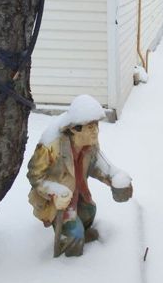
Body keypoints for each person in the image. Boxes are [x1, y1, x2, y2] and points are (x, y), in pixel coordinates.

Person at [27, 94, 133, 257]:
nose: (95, 131)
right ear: (74, 129)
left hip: (78, 193)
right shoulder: (50, 147)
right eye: (90, 127)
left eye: (96, 126)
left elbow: (96, 162)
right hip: (58, 201)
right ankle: (70, 260)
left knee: (90, 211)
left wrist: (113, 177)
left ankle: (81, 233)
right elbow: (35, 176)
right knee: (74, 234)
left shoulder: (89, 143)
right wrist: (54, 192)